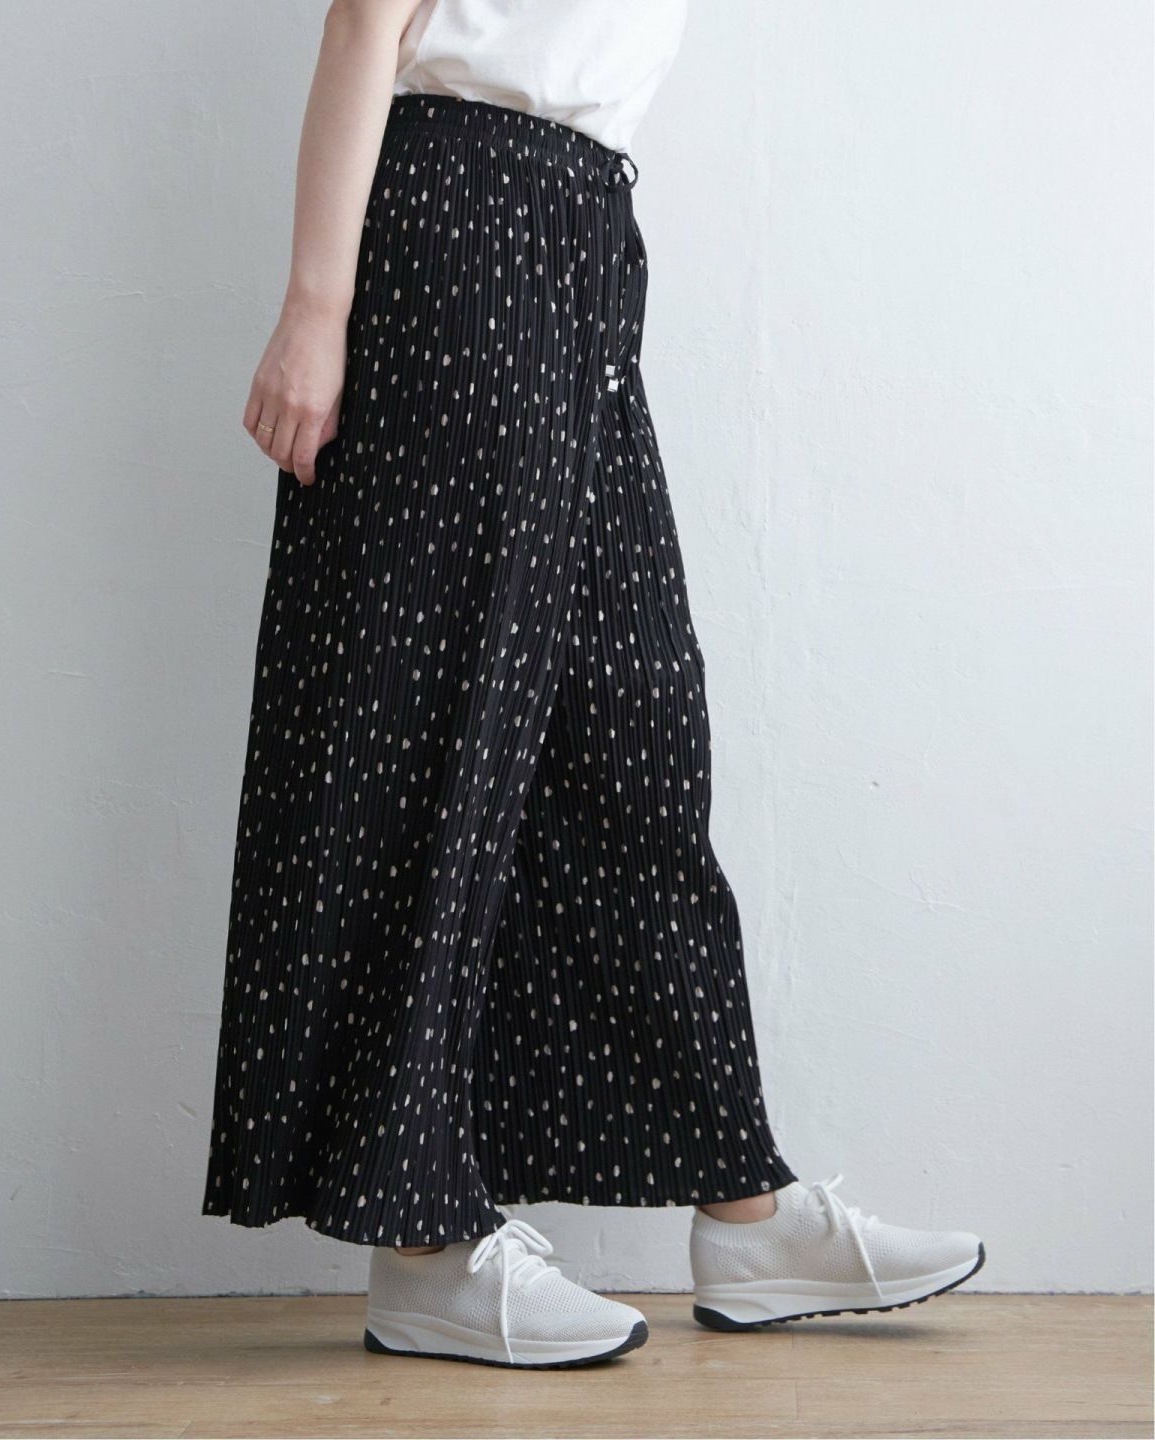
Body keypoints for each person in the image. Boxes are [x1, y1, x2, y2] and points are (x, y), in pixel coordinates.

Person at [201, 0, 985, 1368]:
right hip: (453, 223)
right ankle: (421, 1243)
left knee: (632, 736)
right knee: (435, 733)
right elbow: (368, 17)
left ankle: (741, 1207)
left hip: (581, 237)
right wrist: (317, 310)